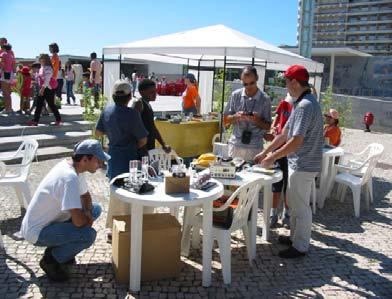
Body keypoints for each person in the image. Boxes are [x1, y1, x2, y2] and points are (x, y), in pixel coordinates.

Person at [254, 64, 324, 259]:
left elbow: (296, 141)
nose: (285, 84)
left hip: (303, 164)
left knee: (301, 207)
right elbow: (285, 133)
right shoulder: (302, 102)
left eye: (286, 80)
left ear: (294, 82)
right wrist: (265, 151)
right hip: (301, 164)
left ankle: (300, 246)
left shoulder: (304, 105)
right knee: (294, 204)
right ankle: (295, 238)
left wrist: (273, 157)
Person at [20, 139, 109, 282]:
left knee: (96, 209)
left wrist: (87, 213)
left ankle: (63, 248)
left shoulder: (73, 167)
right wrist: (87, 219)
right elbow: (79, 222)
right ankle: (51, 260)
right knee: (88, 235)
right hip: (37, 232)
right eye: (98, 161)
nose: (101, 165)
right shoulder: (69, 178)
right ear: (85, 159)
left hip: (49, 222)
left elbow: (86, 196)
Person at [95, 79, 148, 180]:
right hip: (129, 158)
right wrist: (131, 146)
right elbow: (143, 140)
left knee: (113, 187)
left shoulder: (106, 110)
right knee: (129, 188)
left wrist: (112, 132)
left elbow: (98, 133)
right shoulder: (133, 114)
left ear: (113, 96)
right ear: (130, 96)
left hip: (112, 156)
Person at [223, 66, 272, 161]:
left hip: (255, 148)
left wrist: (257, 120)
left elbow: (268, 126)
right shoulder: (235, 95)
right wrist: (236, 117)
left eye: (252, 83)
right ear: (241, 81)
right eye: (245, 84)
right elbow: (225, 120)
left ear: (257, 78)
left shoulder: (265, 99)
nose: (249, 86)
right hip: (235, 146)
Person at [267, 93, 293, 228]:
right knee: (276, 183)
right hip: (278, 148)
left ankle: (287, 213)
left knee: (288, 186)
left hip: (291, 151)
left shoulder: (301, 108)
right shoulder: (284, 103)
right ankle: (273, 212)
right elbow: (277, 118)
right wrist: (273, 127)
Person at [132, 79, 171, 157]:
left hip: (149, 146)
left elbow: (152, 127)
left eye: (155, 91)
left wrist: (163, 144)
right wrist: (143, 148)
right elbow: (135, 128)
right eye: (151, 92)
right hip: (142, 149)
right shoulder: (139, 104)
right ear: (142, 92)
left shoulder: (148, 105)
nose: (155, 94)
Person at [27, 54, 62, 126]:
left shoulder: (48, 68)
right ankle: (35, 121)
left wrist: (42, 89)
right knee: (39, 104)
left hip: (47, 89)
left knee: (51, 104)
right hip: (43, 88)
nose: (39, 60)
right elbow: (40, 78)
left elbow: (47, 79)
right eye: (39, 59)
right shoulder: (42, 67)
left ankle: (58, 120)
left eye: (41, 59)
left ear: (45, 60)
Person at [0, 43, 15, 114]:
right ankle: (9, 108)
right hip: (10, 74)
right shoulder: (11, 55)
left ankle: (7, 109)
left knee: (5, 93)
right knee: (8, 93)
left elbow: (2, 64)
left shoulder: (3, 54)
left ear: (4, 48)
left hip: (5, 73)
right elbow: (13, 66)